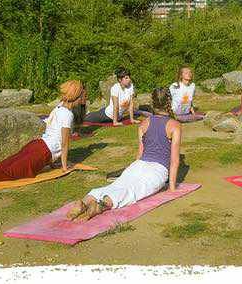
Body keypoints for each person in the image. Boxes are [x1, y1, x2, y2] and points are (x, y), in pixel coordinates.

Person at [66, 87, 182, 221]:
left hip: (139, 164)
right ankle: (101, 206)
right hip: (157, 170)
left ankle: (86, 200)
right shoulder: (175, 125)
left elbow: (140, 153)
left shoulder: (144, 123)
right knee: (132, 192)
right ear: (169, 101)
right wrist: (172, 187)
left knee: (116, 185)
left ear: (152, 102)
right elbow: (174, 160)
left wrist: (132, 168)